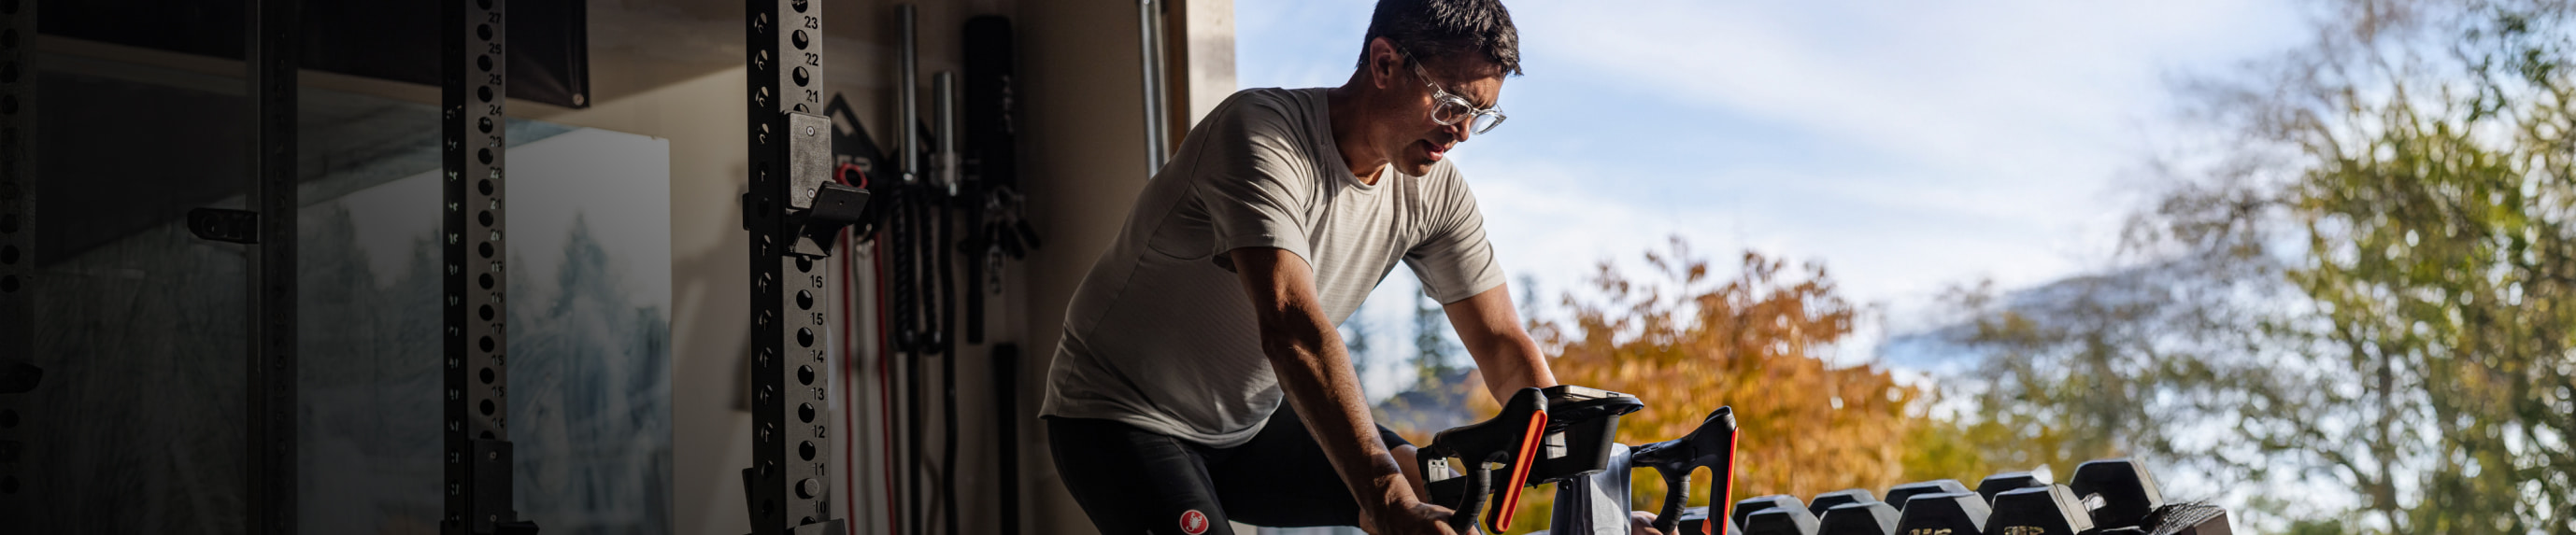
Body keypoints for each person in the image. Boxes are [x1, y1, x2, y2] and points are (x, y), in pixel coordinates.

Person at [1040, 1, 1574, 534]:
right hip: (1123, 413)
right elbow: (1291, 328)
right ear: (1385, 63)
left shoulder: (1437, 193)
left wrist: (1578, 461)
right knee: (1396, 500)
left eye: (1480, 115)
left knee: (1439, 502)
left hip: (1251, 425)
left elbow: (1500, 340)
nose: (1461, 132)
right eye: (1452, 103)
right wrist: (1386, 502)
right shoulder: (1261, 134)